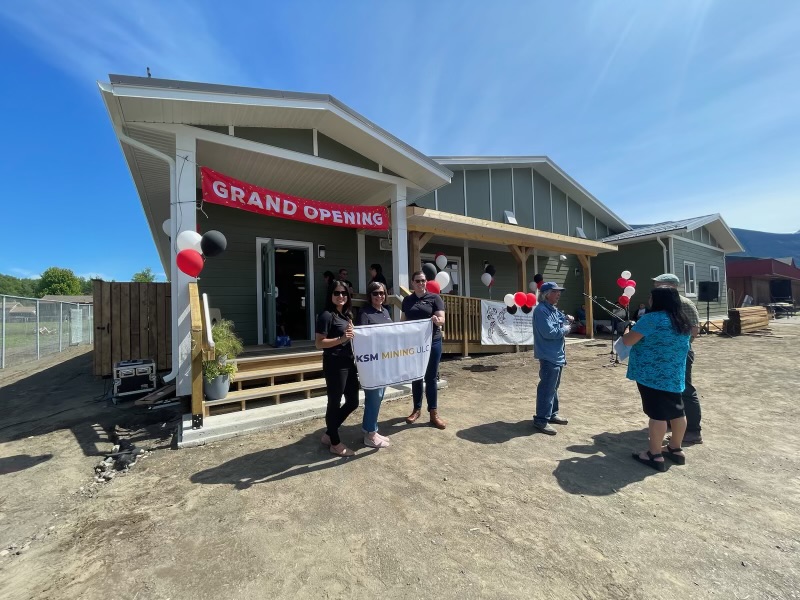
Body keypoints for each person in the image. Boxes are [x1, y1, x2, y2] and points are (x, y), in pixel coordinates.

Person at [622, 287, 692, 471]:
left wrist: (627, 330)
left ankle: (654, 454)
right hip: (674, 374)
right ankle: (675, 448)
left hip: (652, 375)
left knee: (657, 415)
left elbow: (628, 341)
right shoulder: (681, 319)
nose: (650, 300)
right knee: (677, 411)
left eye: (651, 297)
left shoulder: (652, 319)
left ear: (658, 300)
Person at [652, 273, 703, 444]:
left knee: (685, 389)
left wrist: (675, 344)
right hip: (664, 354)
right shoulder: (664, 304)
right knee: (668, 390)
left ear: (670, 286)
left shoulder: (685, 304)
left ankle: (693, 430)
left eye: (658, 284)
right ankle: (672, 423)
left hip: (680, 354)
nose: (655, 287)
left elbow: (694, 330)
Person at [315, 280, 359, 457]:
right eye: (337, 293)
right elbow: (319, 343)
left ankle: (329, 433)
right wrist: (341, 339)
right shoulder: (326, 315)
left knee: (353, 401)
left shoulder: (347, 315)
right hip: (334, 364)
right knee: (334, 402)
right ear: (331, 295)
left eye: (344, 293)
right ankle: (334, 442)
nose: (340, 296)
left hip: (349, 362)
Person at [401, 270, 446, 429]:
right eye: (417, 281)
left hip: (432, 342)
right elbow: (403, 322)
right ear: (412, 283)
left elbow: (442, 320)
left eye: (423, 281)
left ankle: (433, 412)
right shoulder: (407, 300)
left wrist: (436, 319)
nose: (421, 283)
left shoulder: (435, 298)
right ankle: (416, 409)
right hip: (414, 345)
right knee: (416, 376)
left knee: (431, 377)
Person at [532, 282, 574, 435]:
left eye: (559, 292)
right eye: (555, 292)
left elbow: (561, 322)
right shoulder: (541, 311)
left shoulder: (553, 310)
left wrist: (566, 321)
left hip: (556, 354)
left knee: (553, 387)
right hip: (549, 355)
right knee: (547, 388)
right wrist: (566, 328)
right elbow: (549, 332)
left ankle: (552, 414)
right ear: (546, 294)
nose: (559, 294)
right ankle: (541, 420)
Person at [357, 281, 392, 448]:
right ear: (370, 296)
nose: (379, 296)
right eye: (376, 293)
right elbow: (362, 338)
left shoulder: (386, 311)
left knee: (379, 397)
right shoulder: (365, 313)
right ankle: (370, 435)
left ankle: (370, 429)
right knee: (373, 397)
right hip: (372, 363)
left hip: (385, 360)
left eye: (382, 293)